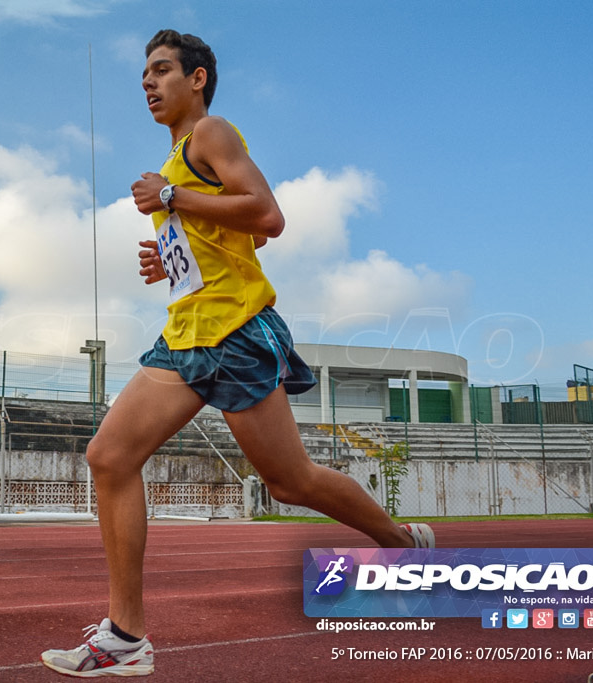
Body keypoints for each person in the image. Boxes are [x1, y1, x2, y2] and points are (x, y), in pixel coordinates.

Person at [41, 29, 434, 678]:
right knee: (109, 456)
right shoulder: (174, 159)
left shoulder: (211, 134)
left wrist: (170, 199)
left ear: (196, 80)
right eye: (144, 74)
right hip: (186, 332)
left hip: (234, 332)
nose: (148, 82)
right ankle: (126, 635)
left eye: (162, 70)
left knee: (290, 481)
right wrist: (170, 258)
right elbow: (232, 239)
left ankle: (399, 540)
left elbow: (268, 216)